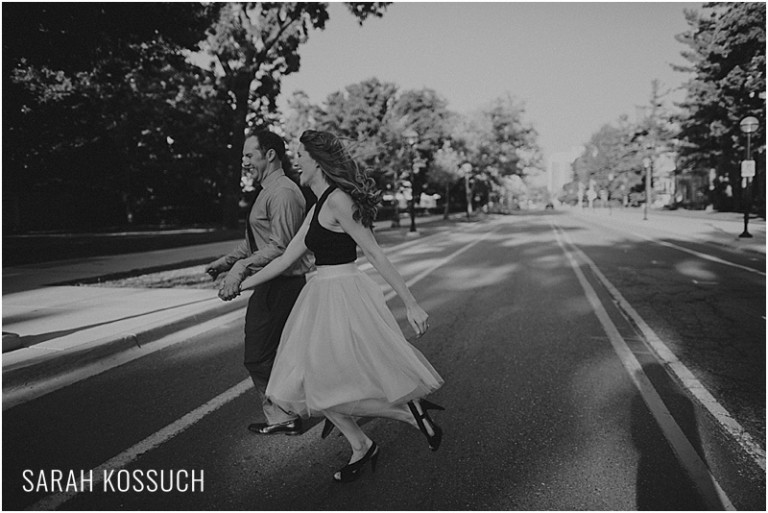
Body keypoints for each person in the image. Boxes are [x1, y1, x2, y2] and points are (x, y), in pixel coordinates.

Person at [230, 130, 444, 483]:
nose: (295, 160)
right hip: (320, 294)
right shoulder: (317, 205)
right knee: (312, 385)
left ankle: (409, 412)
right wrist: (239, 283)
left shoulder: (339, 201)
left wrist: (411, 303)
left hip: (343, 294)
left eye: (300, 154)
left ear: (316, 160)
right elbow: (284, 261)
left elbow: (374, 252)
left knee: (325, 385)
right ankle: (363, 444)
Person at [206, 130, 314, 436]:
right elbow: (256, 243)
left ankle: (299, 408)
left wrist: (240, 269)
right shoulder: (268, 190)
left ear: (270, 155)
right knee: (272, 355)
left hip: (283, 285)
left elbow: (281, 246)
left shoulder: (282, 193)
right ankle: (287, 414)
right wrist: (225, 262)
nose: (244, 162)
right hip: (270, 284)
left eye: (249, 155)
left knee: (258, 356)